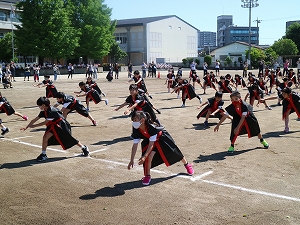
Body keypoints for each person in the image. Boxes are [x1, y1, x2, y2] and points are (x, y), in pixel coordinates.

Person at [128, 111, 194, 185]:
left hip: (162, 138)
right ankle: (147, 175)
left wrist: (144, 156)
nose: (134, 122)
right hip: (150, 140)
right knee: (149, 157)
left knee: (174, 152)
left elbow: (151, 144)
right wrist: (131, 160)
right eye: (133, 120)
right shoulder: (136, 128)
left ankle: (187, 164)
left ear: (142, 120)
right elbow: (135, 145)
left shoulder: (151, 127)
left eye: (135, 120)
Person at [20, 97, 89, 161]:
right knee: (45, 137)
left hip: (61, 126)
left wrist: (34, 126)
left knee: (69, 139)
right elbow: (35, 119)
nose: (39, 107)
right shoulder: (44, 111)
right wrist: (27, 127)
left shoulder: (52, 111)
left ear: (43, 105)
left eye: (39, 105)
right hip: (53, 125)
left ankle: (83, 147)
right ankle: (43, 154)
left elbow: (45, 122)